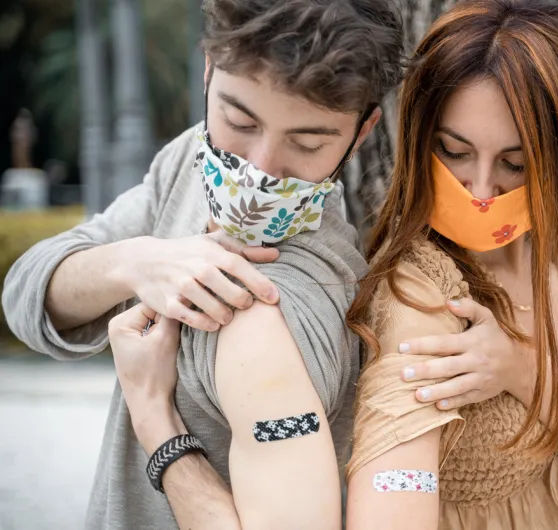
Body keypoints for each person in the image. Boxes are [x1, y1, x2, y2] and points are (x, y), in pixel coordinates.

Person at [1, 0, 403, 528]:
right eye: (240, 120)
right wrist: (137, 262)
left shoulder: (280, 301)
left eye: (306, 143)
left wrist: (157, 422)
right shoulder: (190, 160)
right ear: (209, 69)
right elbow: (25, 296)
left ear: (363, 131)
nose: (258, 170)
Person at [343, 1, 558, 528]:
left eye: (515, 163)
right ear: (419, 138)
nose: (480, 189)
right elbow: (395, 477)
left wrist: (523, 373)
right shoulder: (415, 280)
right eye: (454, 151)